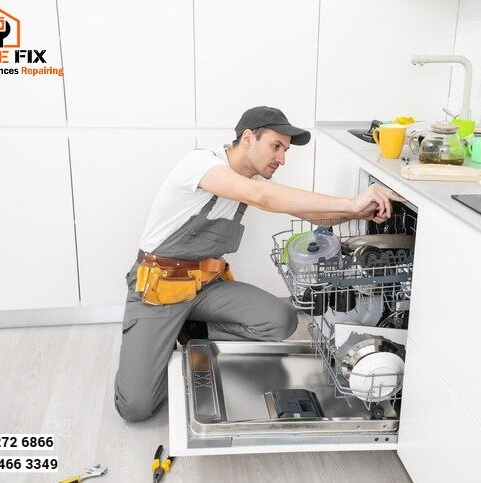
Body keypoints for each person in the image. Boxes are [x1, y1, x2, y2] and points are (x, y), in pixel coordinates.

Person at [114, 106, 403, 422]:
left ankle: (187, 330)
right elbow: (261, 196)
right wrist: (350, 203)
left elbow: (315, 214)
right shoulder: (201, 164)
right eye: (276, 146)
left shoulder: (247, 182)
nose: (282, 158)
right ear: (248, 138)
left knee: (280, 320)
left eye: (285, 150)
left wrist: (360, 210)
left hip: (204, 287)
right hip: (159, 289)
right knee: (136, 407)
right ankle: (161, 333)